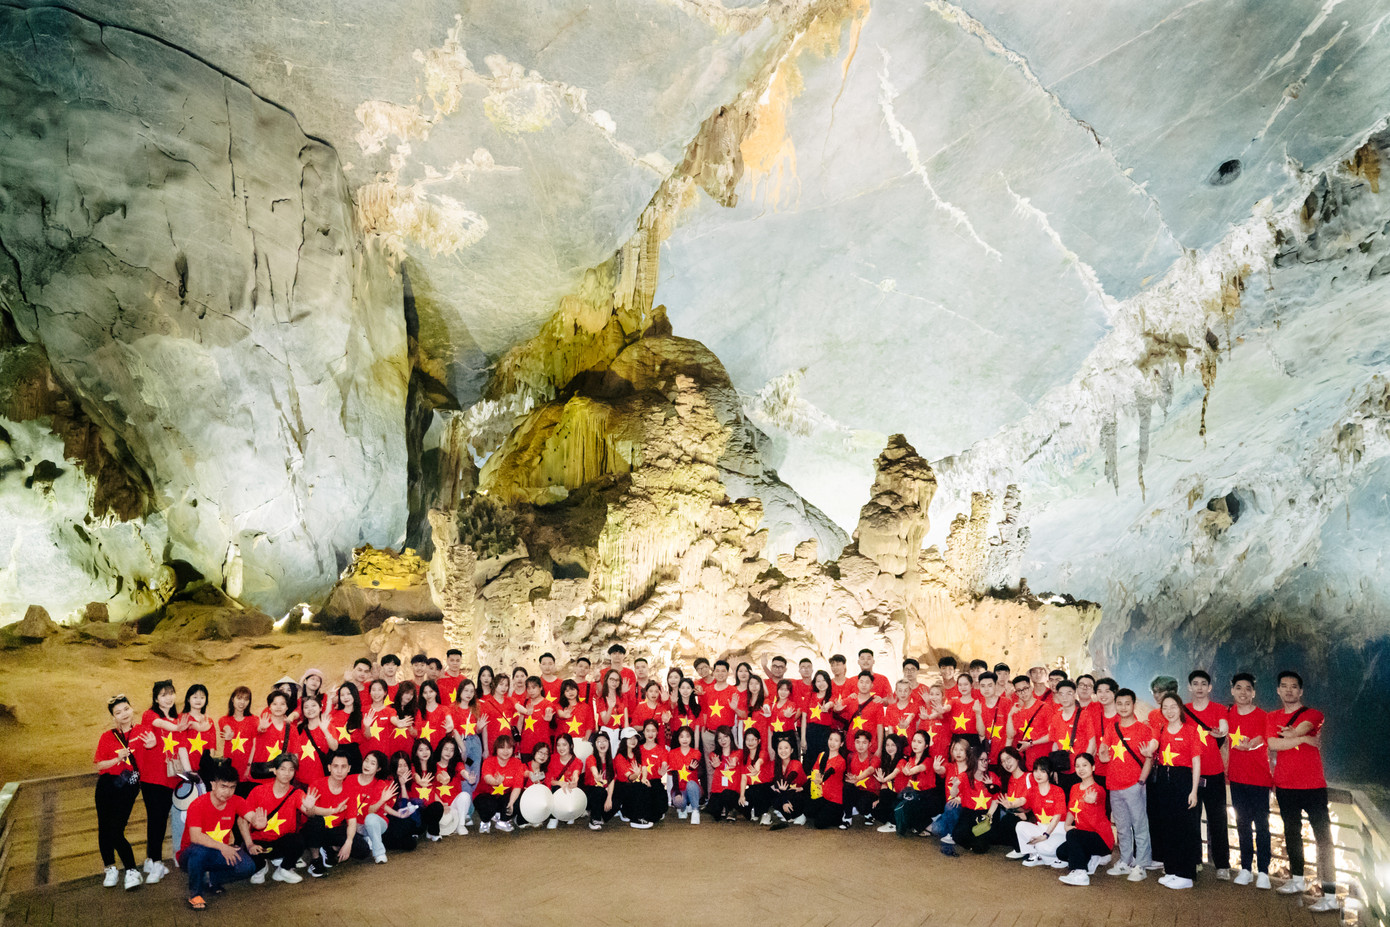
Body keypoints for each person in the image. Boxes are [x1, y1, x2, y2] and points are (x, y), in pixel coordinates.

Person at [1267, 670, 1338, 911]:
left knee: (1324, 840)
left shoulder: (1314, 714)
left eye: (1294, 686)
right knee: (1292, 835)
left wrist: (1295, 735)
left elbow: (1303, 727)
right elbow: (1273, 743)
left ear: (1301, 691)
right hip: (1285, 786)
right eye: (1284, 686)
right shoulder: (1271, 716)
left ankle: (1329, 895)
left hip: (1314, 787)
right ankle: (1297, 881)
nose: (1289, 690)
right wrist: (1303, 740)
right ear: (1278, 690)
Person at [176, 762, 256, 909]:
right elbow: (195, 837)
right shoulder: (197, 805)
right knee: (199, 851)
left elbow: (251, 816)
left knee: (248, 867)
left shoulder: (236, 800)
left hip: (218, 851)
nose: (228, 792)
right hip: (190, 854)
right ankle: (195, 895)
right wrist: (223, 847)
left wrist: (258, 821)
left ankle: (210, 878)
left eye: (232, 787)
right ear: (213, 785)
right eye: (223, 786)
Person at [1098, 688, 1156, 881]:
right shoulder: (1111, 728)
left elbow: (1149, 758)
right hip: (1114, 785)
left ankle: (1141, 864)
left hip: (1134, 784)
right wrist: (1103, 755)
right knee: (1122, 826)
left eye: (1127, 703)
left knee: (1139, 825)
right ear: (1116, 705)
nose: (1123, 707)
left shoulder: (1143, 729)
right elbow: (1104, 754)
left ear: (1134, 705)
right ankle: (1125, 860)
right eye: (1120, 703)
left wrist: (1141, 780)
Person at [1150, 692, 1201, 890]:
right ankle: (1171, 870)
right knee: (1167, 826)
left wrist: (1194, 790)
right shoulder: (1161, 728)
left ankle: (1185, 874)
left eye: (1173, 706)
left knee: (1184, 828)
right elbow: (1154, 746)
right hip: (1164, 778)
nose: (1169, 711)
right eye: (1165, 707)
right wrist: (1148, 750)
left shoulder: (1190, 730)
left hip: (1183, 780)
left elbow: (1196, 762)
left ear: (1180, 708)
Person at [1226, 672, 1273, 889]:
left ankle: (1263, 871)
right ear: (1232, 690)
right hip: (1236, 778)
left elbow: (1264, 739)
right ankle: (1246, 868)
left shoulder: (1264, 716)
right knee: (1242, 824)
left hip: (1260, 778)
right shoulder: (1228, 715)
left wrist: (1253, 743)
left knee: (1262, 826)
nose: (1243, 692)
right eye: (1239, 687)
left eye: (1247, 688)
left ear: (1253, 693)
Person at [94, 695, 145, 890]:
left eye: (126, 709)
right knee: (104, 828)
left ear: (132, 709)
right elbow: (99, 764)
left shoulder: (142, 732)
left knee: (116, 829)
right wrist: (117, 759)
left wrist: (150, 744)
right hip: (107, 785)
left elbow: (151, 752)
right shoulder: (108, 736)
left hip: (129, 785)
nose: (123, 714)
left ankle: (132, 870)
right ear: (113, 717)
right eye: (118, 712)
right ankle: (110, 867)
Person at [1185, 669, 1231, 879]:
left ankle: (1222, 865)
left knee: (1218, 820)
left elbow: (1223, 726)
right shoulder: (1183, 710)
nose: (1200, 688)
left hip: (1213, 773)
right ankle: (1194, 861)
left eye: (1204, 683)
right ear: (1190, 687)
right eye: (1196, 683)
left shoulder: (1219, 708)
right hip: (1190, 774)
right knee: (1191, 820)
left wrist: (1221, 731)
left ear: (1209, 687)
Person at [136, 679, 183, 885]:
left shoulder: (176, 717)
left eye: (171, 693)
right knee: (156, 819)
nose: (169, 698)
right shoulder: (150, 715)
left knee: (159, 819)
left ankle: (149, 859)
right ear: (156, 698)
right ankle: (156, 863)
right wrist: (181, 724)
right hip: (152, 777)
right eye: (163, 694)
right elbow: (163, 725)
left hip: (170, 777)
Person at [301, 751, 366, 877]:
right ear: (329, 767)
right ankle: (315, 859)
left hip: (333, 830)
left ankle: (329, 847)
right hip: (314, 829)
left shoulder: (350, 790)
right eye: (335, 766)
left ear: (349, 769)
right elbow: (310, 814)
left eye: (343, 767)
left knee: (362, 850)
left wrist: (348, 842)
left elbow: (352, 821)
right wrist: (332, 811)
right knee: (316, 821)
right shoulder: (317, 785)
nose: (339, 771)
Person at [243, 754, 306, 884]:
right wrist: (249, 844)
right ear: (274, 770)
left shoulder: (297, 793)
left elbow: (308, 811)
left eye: (291, 769)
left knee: (298, 840)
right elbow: (241, 819)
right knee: (254, 869)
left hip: (281, 842)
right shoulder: (258, 791)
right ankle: (262, 866)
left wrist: (310, 808)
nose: (287, 773)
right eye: (282, 769)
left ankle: (283, 869)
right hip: (260, 842)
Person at [1055, 755, 1115, 886]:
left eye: (1085, 765)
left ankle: (1080, 873)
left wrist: (1092, 800)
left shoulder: (1098, 789)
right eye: (1077, 766)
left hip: (1101, 838)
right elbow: (1072, 809)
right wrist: (1066, 824)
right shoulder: (1074, 787)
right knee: (1061, 852)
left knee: (1073, 835)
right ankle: (1092, 858)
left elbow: (1097, 797)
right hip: (1084, 837)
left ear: (1093, 767)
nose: (1081, 769)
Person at [1016, 758, 1067, 866]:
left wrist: (1046, 835)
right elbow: (1023, 803)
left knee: (1042, 847)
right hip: (1041, 827)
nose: (1038, 774)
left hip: (1058, 830)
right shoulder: (1032, 790)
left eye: (1043, 771)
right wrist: (1011, 805)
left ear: (1050, 773)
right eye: (1036, 770)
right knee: (1020, 826)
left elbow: (1057, 817)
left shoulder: (1058, 791)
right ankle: (1034, 855)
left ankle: (1062, 857)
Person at [353, 751, 399, 862]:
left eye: (373, 763)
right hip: (355, 825)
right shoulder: (350, 779)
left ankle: (379, 853)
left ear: (378, 769)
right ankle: (367, 839)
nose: (367, 765)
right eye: (366, 761)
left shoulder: (380, 784)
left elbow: (371, 810)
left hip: (377, 823)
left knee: (370, 818)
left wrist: (382, 800)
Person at [893, 731, 939, 835]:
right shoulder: (911, 759)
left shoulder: (928, 760)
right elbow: (910, 782)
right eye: (914, 741)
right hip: (916, 794)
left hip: (928, 796)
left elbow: (919, 768)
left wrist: (909, 771)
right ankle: (920, 826)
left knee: (909, 805)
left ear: (926, 745)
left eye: (919, 742)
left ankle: (929, 827)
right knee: (898, 802)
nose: (915, 744)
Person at [475, 734, 524, 833]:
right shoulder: (489, 761)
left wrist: (511, 803)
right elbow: (487, 778)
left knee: (520, 797)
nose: (506, 751)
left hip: (504, 797)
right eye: (502, 748)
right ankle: (485, 821)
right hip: (488, 796)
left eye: (509, 748)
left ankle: (503, 821)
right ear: (496, 749)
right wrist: (496, 782)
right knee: (487, 804)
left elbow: (517, 786)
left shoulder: (517, 763)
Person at [219, 686, 258, 790]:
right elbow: (226, 727)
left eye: (246, 699)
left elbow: (255, 745)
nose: (242, 702)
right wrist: (228, 733)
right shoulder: (224, 719)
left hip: (247, 767)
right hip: (229, 768)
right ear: (232, 699)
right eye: (239, 698)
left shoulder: (254, 720)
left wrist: (248, 768)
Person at [808, 730, 848, 830]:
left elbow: (830, 771)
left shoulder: (841, 761)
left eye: (836, 740)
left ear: (841, 744)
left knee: (819, 824)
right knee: (808, 812)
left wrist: (821, 778)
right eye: (830, 739)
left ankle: (839, 816)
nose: (832, 743)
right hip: (822, 794)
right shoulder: (822, 755)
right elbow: (815, 771)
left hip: (835, 799)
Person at [705, 726, 743, 823]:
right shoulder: (714, 755)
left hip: (732, 792)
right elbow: (712, 757)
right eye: (719, 738)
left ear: (730, 737)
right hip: (718, 791)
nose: (723, 740)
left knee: (727, 794)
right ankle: (725, 809)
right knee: (713, 812)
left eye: (725, 736)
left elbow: (736, 758)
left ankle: (732, 809)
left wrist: (721, 765)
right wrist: (717, 764)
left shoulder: (738, 753)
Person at [843, 730, 880, 826]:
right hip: (858, 789)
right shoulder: (851, 756)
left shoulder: (874, 758)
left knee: (862, 806)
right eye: (858, 742)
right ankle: (848, 817)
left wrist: (858, 778)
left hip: (871, 792)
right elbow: (848, 776)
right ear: (854, 743)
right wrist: (850, 780)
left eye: (864, 743)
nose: (860, 745)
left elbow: (870, 770)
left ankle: (868, 813)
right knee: (846, 787)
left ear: (869, 744)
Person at [546, 734, 583, 829]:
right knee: (554, 788)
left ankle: (570, 811)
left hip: (569, 791)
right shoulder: (552, 758)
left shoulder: (577, 761)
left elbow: (576, 774)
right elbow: (549, 780)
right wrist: (560, 783)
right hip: (556, 789)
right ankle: (553, 817)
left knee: (574, 788)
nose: (561, 748)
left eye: (564, 744)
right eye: (558, 745)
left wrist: (574, 782)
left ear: (570, 746)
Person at [738, 728, 774, 824]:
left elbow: (761, 760)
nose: (750, 742)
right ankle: (754, 809)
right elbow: (744, 778)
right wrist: (742, 795)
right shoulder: (744, 758)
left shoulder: (763, 753)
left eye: (753, 739)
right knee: (742, 805)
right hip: (752, 789)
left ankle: (765, 814)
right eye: (748, 739)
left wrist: (757, 766)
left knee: (758, 789)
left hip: (765, 788)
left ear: (759, 741)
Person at [582, 732, 618, 830]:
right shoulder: (591, 758)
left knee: (620, 792)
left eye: (604, 741)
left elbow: (611, 781)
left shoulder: (612, 761)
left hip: (604, 792)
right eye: (598, 742)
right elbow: (593, 768)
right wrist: (596, 776)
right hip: (591, 793)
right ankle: (594, 819)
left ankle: (602, 816)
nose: (602, 744)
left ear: (609, 743)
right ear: (595, 744)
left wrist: (609, 798)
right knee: (599, 790)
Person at [872, 733, 907, 832]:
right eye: (887, 745)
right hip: (893, 794)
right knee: (875, 809)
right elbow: (886, 784)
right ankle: (893, 821)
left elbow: (895, 773)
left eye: (893, 745)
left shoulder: (902, 761)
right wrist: (879, 800)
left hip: (901, 796)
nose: (890, 748)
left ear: (898, 746)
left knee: (885, 793)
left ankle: (893, 824)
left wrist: (884, 779)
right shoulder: (887, 761)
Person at [768, 736, 806, 826]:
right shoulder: (774, 764)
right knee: (770, 791)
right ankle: (787, 814)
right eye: (780, 748)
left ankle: (799, 815)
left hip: (798, 792)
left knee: (791, 793)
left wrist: (784, 801)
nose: (783, 751)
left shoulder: (796, 763)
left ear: (792, 750)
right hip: (784, 792)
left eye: (786, 748)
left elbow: (787, 782)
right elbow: (774, 784)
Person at [669, 726, 703, 824]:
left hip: (694, 788)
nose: (684, 739)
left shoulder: (696, 752)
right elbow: (674, 774)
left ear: (691, 738)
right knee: (679, 802)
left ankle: (695, 811)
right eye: (682, 736)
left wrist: (691, 768)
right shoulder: (672, 753)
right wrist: (677, 792)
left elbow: (695, 762)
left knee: (691, 784)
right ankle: (683, 808)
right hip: (679, 788)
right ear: (678, 738)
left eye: (687, 736)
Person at [804, 670, 837, 763]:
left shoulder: (831, 696)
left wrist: (826, 706)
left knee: (823, 760)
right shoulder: (809, 695)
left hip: (825, 733)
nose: (821, 684)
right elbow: (803, 718)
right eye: (818, 681)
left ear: (828, 682)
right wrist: (803, 738)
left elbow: (832, 703)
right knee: (809, 760)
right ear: (814, 683)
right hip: (810, 732)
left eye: (823, 680)